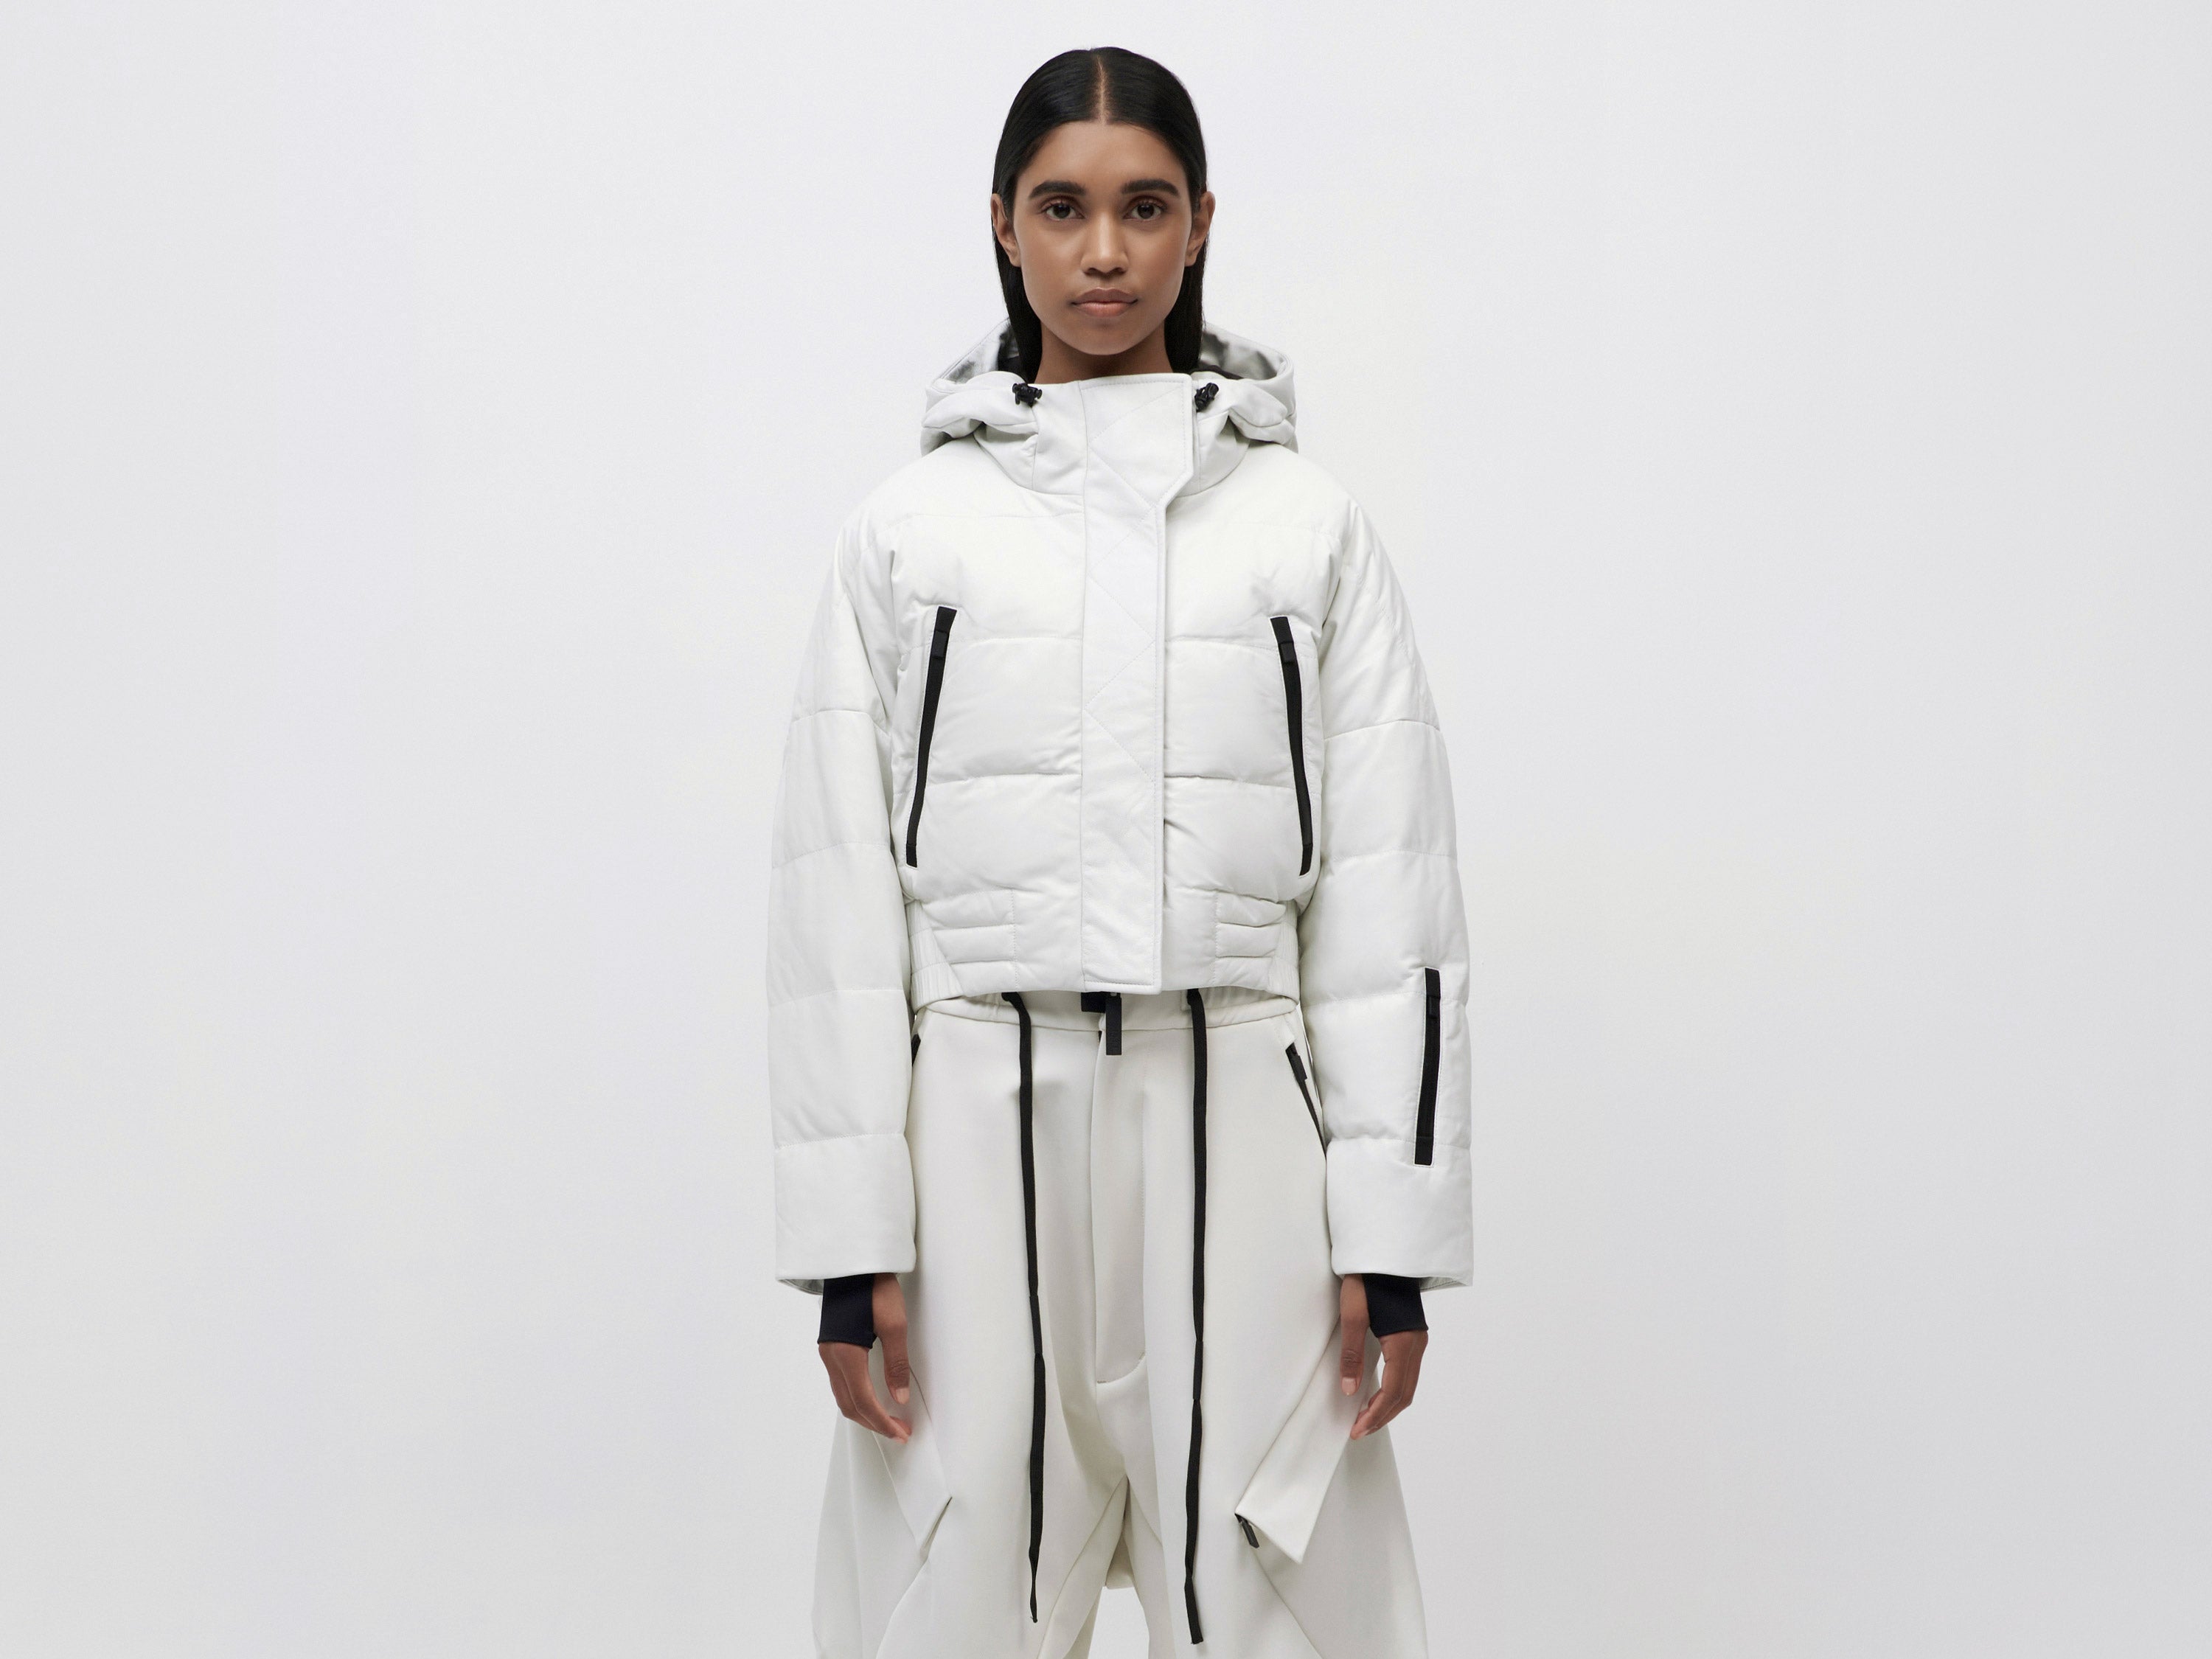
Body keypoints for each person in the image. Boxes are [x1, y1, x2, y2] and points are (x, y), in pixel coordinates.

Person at [768, 46, 1471, 1658]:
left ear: (1201, 223)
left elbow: (1390, 895)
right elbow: (833, 904)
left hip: (1241, 1104)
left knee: (1270, 1572)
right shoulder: (910, 534)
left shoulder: (1304, 528)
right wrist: (850, 1245)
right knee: (958, 1583)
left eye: (1145, 209)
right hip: (972, 1107)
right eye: (1063, 208)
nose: (1104, 253)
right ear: (1002, 223)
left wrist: (1392, 1243)